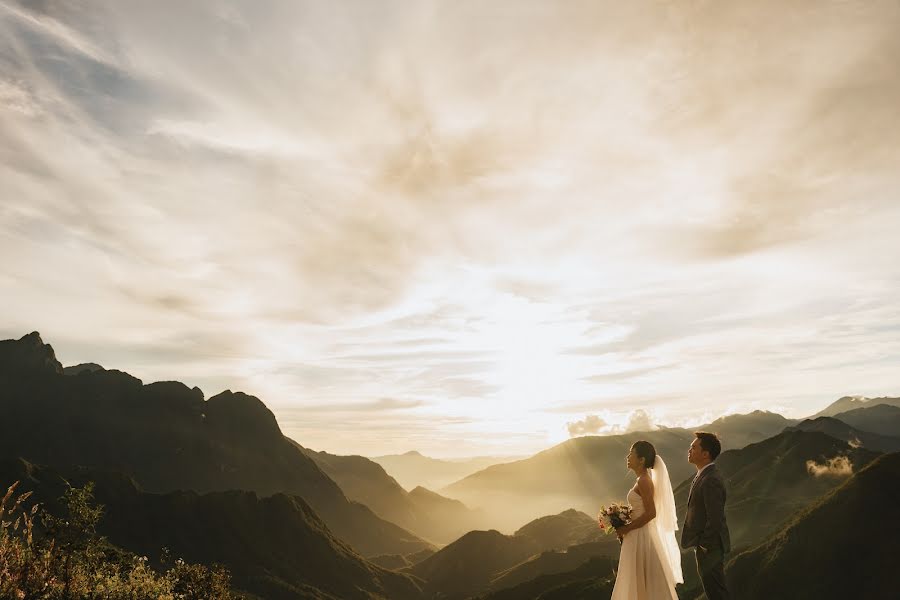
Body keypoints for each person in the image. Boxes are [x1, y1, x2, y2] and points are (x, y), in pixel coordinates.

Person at [611, 440, 683, 599]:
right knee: (638, 580)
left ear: (642, 459)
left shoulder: (644, 480)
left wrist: (626, 528)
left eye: (631, 453)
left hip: (641, 536)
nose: (628, 457)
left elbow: (651, 513)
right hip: (637, 534)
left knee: (642, 580)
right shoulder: (642, 479)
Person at [681, 432, 731, 600]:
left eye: (694, 447)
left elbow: (715, 518)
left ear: (705, 454)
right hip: (707, 547)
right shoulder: (703, 474)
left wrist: (704, 545)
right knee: (713, 592)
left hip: (710, 548)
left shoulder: (710, 479)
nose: (689, 450)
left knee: (716, 593)